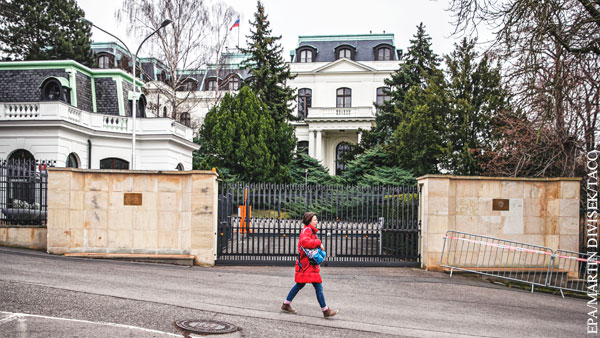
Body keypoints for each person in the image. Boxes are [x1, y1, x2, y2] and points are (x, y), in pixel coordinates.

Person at [281, 212, 338, 318]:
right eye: (315, 220)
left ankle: (286, 304)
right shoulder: (307, 230)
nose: (317, 221)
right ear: (309, 220)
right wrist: (318, 242)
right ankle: (325, 311)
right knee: (317, 286)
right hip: (307, 265)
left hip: (307, 265)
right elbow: (305, 242)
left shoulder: (310, 230)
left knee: (301, 284)